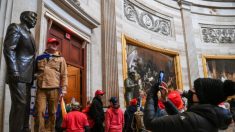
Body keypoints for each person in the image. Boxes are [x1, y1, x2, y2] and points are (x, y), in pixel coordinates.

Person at [144, 78, 235, 132]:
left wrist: (151, 93)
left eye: (194, 88)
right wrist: (166, 101)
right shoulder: (209, 116)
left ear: (202, 96)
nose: (191, 90)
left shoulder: (192, 120)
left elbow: (150, 123)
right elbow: (182, 119)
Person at [3, 11, 37, 132]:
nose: (35, 19)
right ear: (23, 17)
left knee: (26, 105)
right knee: (20, 105)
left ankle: (25, 129)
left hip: (28, 76)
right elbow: (9, 49)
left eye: (37, 17)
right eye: (33, 16)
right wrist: (13, 70)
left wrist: (35, 72)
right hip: (18, 73)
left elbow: (30, 56)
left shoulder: (30, 34)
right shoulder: (16, 27)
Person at [34, 38, 68, 132]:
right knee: (39, 111)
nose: (55, 45)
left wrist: (64, 89)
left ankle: (50, 130)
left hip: (55, 89)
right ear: (47, 44)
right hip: (41, 89)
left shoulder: (60, 59)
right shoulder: (40, 57)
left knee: (52, 113)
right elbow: (34, 71)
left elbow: (64, 75)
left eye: (56, 44)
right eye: (52, 43)